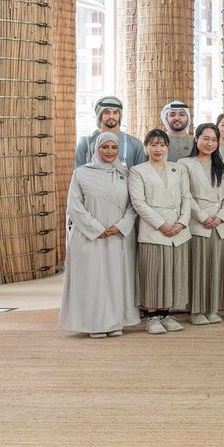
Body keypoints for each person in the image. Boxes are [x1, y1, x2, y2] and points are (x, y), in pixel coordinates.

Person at [58, 133, 140, 338]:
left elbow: (134, 205)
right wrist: (96, 228)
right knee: (92, 280)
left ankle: (115, 321)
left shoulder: (125, 174)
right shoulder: (81, 173)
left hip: (118, 236)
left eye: (114, 147)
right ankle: (94, 324)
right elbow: (74, 206)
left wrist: (120, 226)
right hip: (88, 236)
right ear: (96, 149)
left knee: (115, 279)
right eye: (105, 147)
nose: (110, 151)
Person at [128, 128, 191, 334]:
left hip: (178, 231)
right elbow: (138, 203)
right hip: (153, 231)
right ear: (146, 147)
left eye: (162, 145)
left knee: (172, 273)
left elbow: (186, 197)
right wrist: (161, 224)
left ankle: (166, 314)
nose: (158, 149)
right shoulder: (137, 171)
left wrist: (182, 223)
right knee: (153, 273)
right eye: (153, 144)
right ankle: (152, 317)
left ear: (168, 147)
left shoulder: (177, 168)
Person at [178, 123, 224, 325]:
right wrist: (202, 216)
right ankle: (196, 310)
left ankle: (213, 308)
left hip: (220, 224)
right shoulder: (185, 163)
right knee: (198, 267)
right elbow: (185, 195)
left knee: (217, 267)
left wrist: (221, 216)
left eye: (214, 140)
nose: (210, 143)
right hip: (198, 223)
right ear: (196, 139)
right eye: (206, 138)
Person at [74, 95, 147, 168]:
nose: (111, 116)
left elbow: (142, 173)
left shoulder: (135, 144)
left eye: (115, 112)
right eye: (107, 112)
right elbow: (78, 172)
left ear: (119, 116)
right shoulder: (86, 143)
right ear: (100, 115)